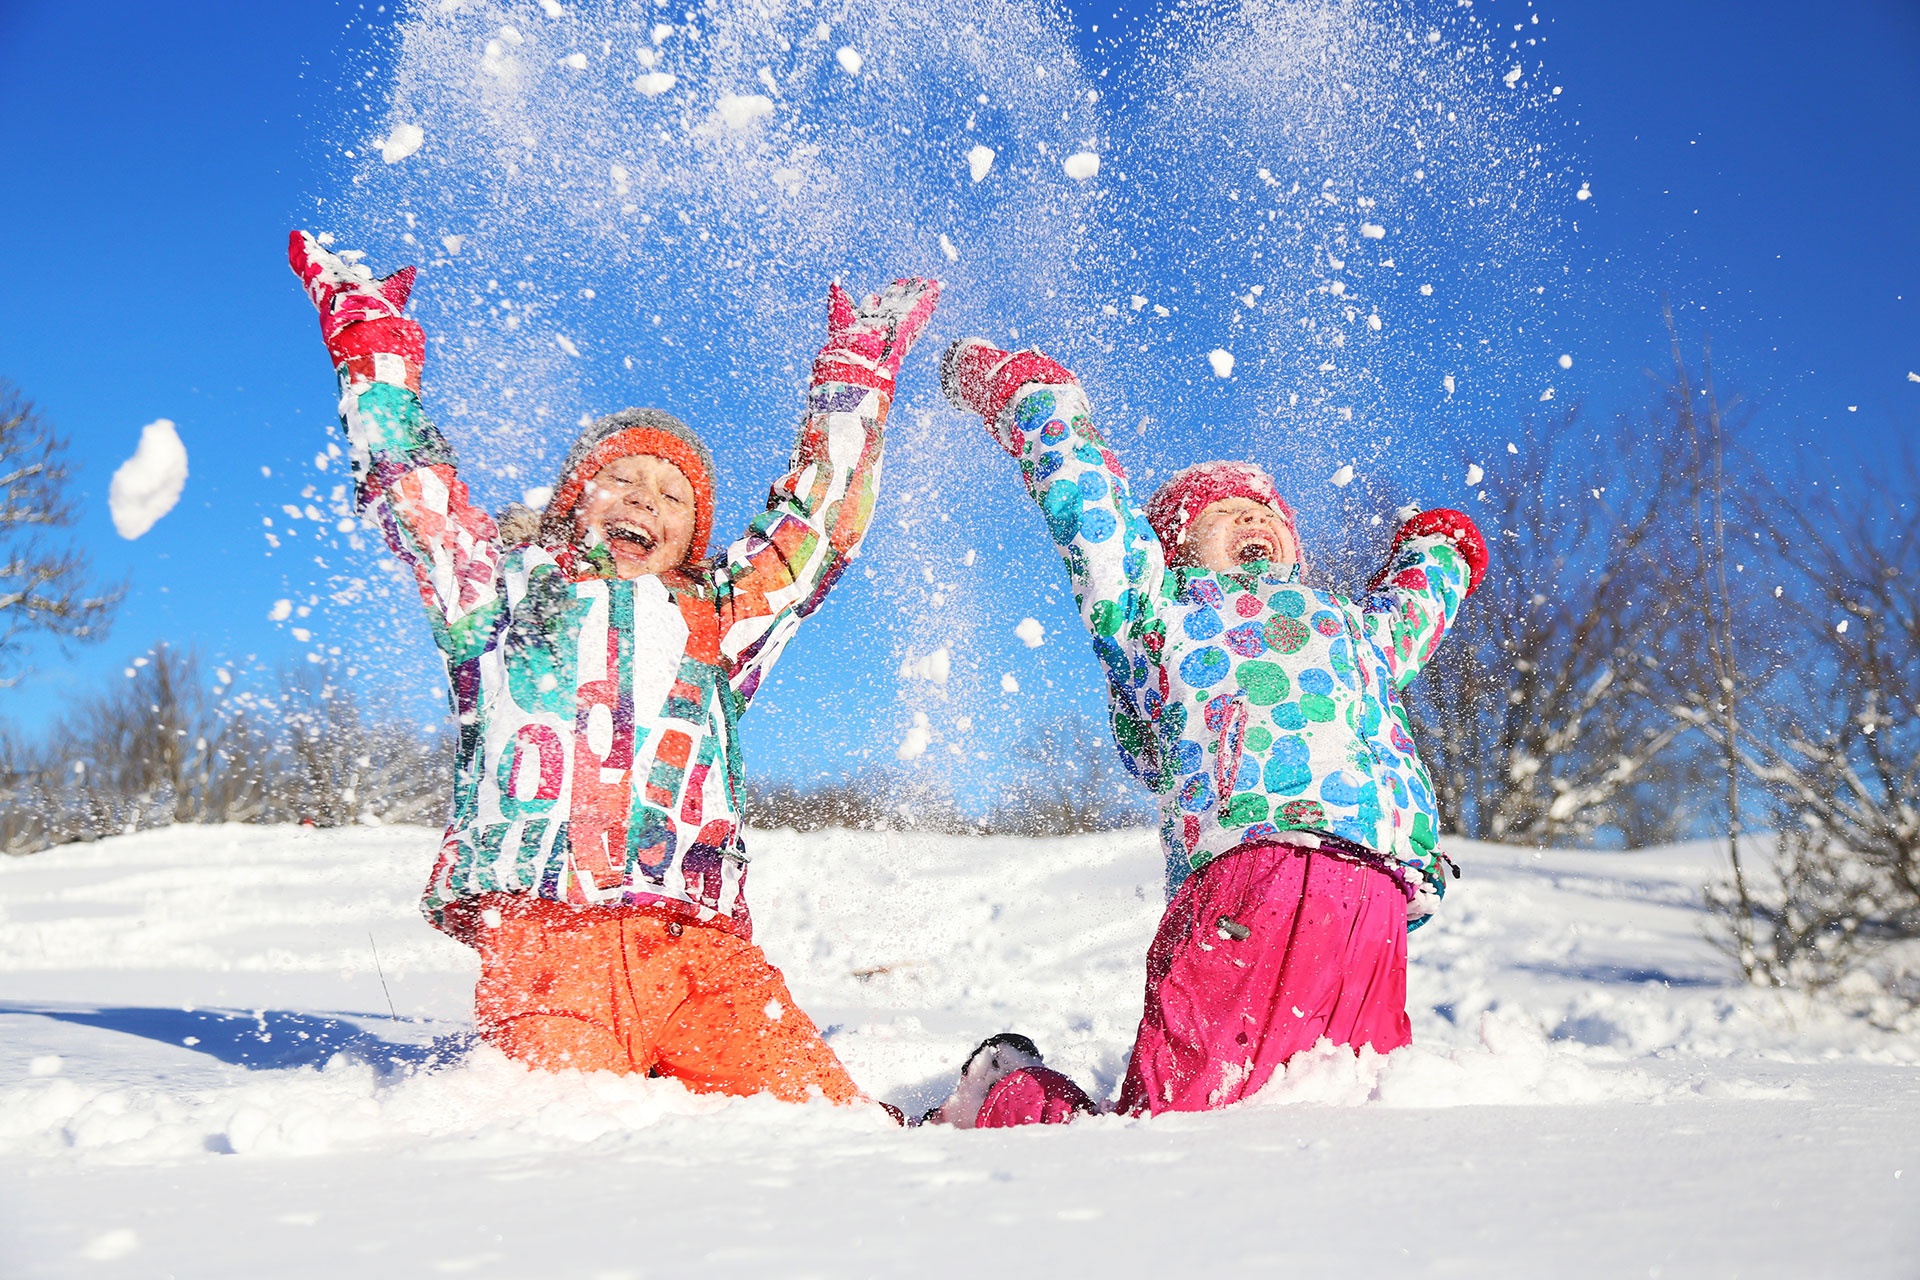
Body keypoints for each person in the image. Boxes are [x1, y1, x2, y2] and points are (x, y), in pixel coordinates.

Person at [288, 229, 939, 1104]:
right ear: (571, 504)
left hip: (703, 955)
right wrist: (375, 357)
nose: (646, 499)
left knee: (829, 1129)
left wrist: (851, 383)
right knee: (563, 1140)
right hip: (551, 946)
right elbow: (414, 493)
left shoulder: (716, 618)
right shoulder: (499, 598)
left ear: (691, 538)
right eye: (620, 480)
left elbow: (818, 529)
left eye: (674, 496)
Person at [938, 337, 1487, 1117]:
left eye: (1265, 511)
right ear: (1176, 547)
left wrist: (1439, 552)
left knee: (1345, 1113)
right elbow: (1090, 509)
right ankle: (1011, 1097)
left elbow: (1412, 615)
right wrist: (1033, 397)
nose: (1253, 517)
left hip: (1373, 899)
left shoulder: (1350, 634)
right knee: (1175, 1128)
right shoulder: (1158, 615)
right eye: (1225, 511)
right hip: (1245, 878)